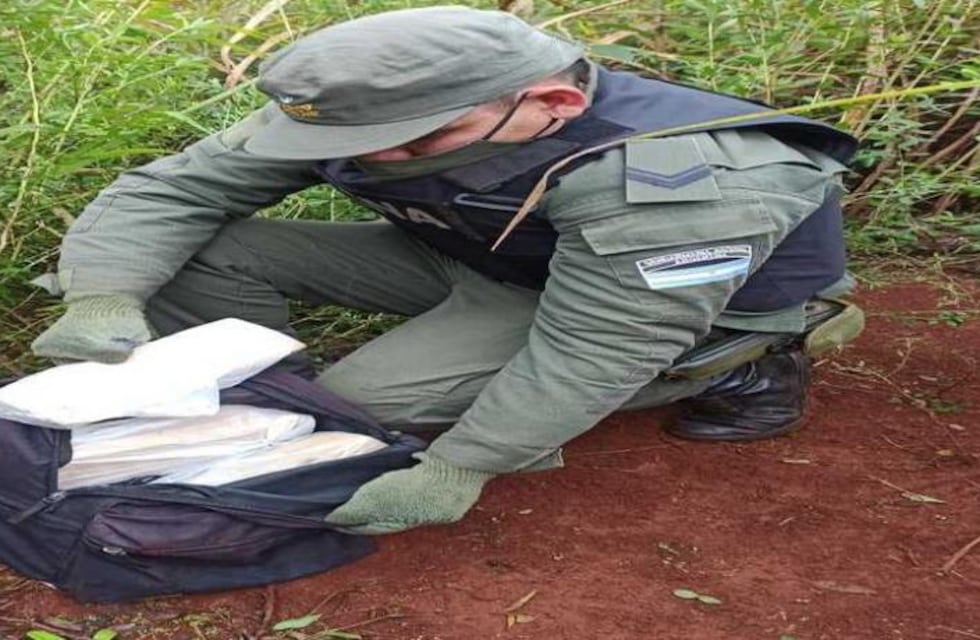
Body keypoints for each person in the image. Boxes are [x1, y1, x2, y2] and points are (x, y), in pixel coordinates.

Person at [30, 6, 860, 533]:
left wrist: (464, 463)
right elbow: (174, 191)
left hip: (661, 306)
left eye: (415, 143)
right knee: (207, 254)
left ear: (555, 104)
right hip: (485, 255)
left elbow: (600, 344)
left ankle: (747, 367)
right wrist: (104, 296)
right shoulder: (364, 109)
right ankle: (274, 403)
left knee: (361, 408)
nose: (374, 158)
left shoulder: (676, 180)